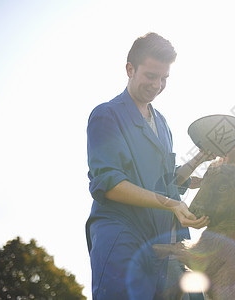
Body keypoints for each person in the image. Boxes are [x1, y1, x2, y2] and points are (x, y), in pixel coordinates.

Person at [86, 32, 212, 299]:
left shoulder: (162, 123)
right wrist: (172, 204)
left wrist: (200, 156)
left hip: (161, 240)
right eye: (151, 76)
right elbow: (109, 184)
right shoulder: (106, 115)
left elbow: (168, 181)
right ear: (130, 69)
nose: (157, 85)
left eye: (164, 78)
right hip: (122, 235)